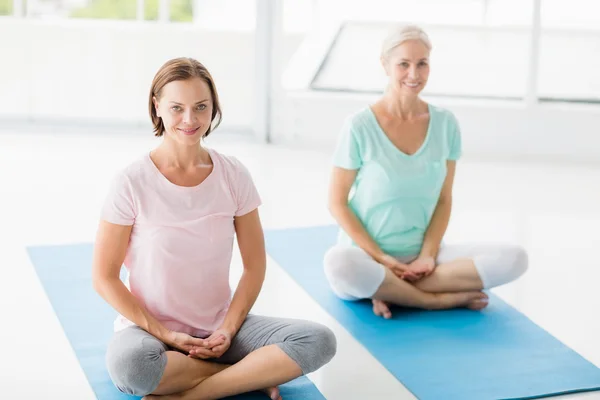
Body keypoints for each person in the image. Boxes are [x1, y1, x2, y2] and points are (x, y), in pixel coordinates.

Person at [92, 57, 336, 400]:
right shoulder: (130, 182)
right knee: (133, 369)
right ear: (157, 106)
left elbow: (254, 265)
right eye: (177, 107)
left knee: (318, 341)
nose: (190, 120)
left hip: (221, 329)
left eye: (201, 107)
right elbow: (104, 276)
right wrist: (166, 334)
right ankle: (250, 374)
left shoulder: (233, 175)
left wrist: (228, 329)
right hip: (149, 333)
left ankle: (194, 394)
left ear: (213, 108)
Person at [324, 25, 528, 319]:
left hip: (424, 258)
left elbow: (444, 199)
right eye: (403, 64)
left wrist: (428, 256)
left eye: (422, 64)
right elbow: (337, 202)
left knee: (515, 259)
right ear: (385, 64)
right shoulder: (359, 126)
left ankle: (392, 292)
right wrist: (381, 260)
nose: (414, 74)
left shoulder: (446, 125)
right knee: (338, 264)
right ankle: (434, 300)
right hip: (367, 257)